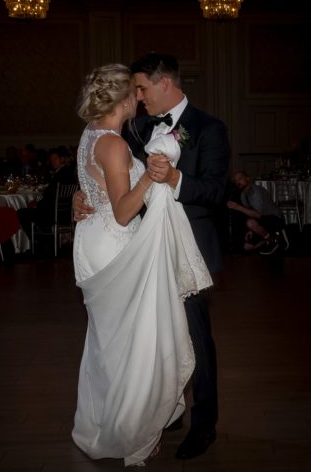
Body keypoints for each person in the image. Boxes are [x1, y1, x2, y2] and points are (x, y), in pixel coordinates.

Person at [73, 52, 231, 460]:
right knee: (158, 336)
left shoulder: (209, 129)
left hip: (188, 246)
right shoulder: (135, 128)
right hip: (140, 245)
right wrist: (82, 197)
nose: (139, 98)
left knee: (194, 338)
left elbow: (217, 193)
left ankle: (204, 423)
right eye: (134, 91)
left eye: (142, 88)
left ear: (164, 83)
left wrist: (176, 178)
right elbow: (110, 179)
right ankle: (162, 410)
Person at [226, 171, 288, 254]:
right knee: (246, 247)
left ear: (247, 179)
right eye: (235, 181)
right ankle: (269, 239)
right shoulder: (243, 195)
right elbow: (251, 213)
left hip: (276, 219)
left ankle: (274, 241)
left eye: (240, 179)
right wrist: (251, 230)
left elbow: (257, 214)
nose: (237, 182)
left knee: (250, 223)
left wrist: (237, 207)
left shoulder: (256, 191)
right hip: (263, 221)